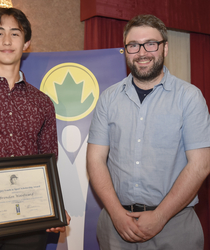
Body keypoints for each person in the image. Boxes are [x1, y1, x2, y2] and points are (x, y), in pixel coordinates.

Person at [87, 14, 210, 250]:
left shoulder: (190, 98)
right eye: (133, 45)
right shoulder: (108, 98)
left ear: (164, 49)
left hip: (175, 226)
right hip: (115, 225)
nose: (142, 52)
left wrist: (160, 216)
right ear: (126, 51)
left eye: (151, 44)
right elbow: (95, 160)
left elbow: (200, 165)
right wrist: (116, 213)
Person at [0, 7, 70, 250]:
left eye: (15, 34)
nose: (7, 41)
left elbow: (49, 159)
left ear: (27, 43)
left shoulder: (42, 102)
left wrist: (53, 207)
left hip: (29, 222)